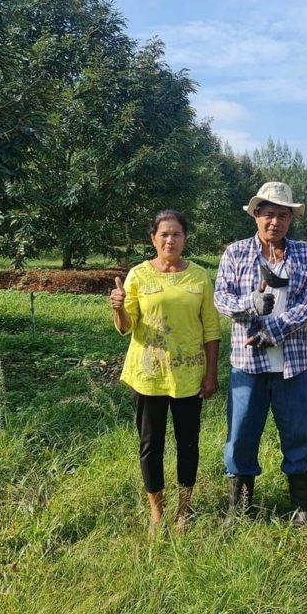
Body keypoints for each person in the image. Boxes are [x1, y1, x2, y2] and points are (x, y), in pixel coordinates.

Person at [214, 181, 307, 526]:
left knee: (298, 432)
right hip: (248, 364)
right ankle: (241, 507)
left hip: (293, 363)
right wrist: (250, 305)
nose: (274, 222)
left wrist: (275, 328)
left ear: (290, 220)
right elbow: (221, 298)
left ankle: (301, 506)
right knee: (242, 433)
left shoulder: (304, 253)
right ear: (255, 216)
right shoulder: (235, 253)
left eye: (282, 215)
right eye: (268, 215)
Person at [109, 210, 221, 536]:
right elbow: (126, 326)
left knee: (188, 443)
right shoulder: (138, 275)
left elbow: (211, 329)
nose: (170, 240)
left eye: (177, 234)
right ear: (153, 239)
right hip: (148, 376)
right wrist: (118, 308)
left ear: (185, 239)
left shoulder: (199, 277)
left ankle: (184, 510)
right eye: (164, 235)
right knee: (150, 444)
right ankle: (157, 512)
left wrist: (211, 374)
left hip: (189, 376)